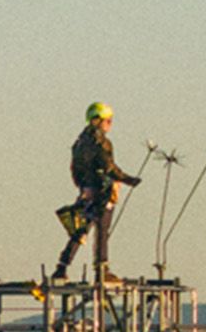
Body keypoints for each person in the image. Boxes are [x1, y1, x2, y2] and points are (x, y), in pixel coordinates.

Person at [51, 101, 143, 281]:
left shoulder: (79, 142)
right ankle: (102, 271)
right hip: (102, 192)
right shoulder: (101, 142)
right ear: (97, 120)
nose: (110, 124)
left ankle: (61, 267)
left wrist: (83, 187)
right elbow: (108, 166)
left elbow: (74, 169)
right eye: (108, 120)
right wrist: (127, 179)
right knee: (102, 230)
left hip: (87, 190)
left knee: (80, 229)